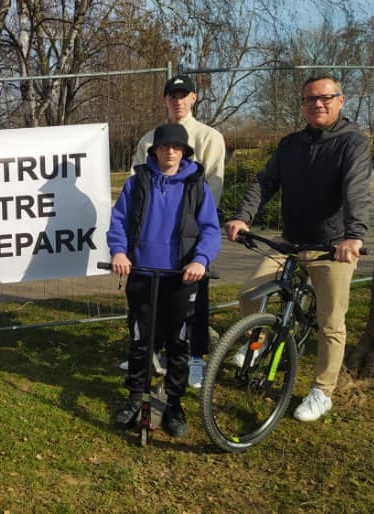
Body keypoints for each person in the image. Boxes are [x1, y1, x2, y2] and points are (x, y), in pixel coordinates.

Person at [225, 75, 371, 422]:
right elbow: (264, 181)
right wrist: (243, 216)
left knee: (330, 322)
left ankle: (322, 391)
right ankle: (257, 344)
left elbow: (356, 190)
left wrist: (354, 236)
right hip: (290, 242)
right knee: (249, 294)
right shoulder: (291, 144)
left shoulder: (352, 143)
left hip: (331, 248)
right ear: (302, 105)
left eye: (325, 98)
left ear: (340, 100)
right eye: (309, 99)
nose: (317, 104)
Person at [108, 123, 221, 437]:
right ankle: (135, 396)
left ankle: (174, 403)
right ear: (154, 150)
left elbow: (210, 230)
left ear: (184, 152)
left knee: (178, 343)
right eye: (164, 146)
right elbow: (118, 221)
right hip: (142, 273)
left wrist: (200, 260)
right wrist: (119, 252)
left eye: (176, 147)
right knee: (140, 340)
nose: (170, 152)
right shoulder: (137, 183)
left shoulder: (197, 186)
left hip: (181, 276)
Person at [123, 74, 226, 389]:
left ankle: (194, 358)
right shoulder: (148, 139)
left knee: (192, 307)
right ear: (165, 99)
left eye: (184, 95)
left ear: (193, 98)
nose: (178, 101)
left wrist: (196, 238)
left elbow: (213, 185)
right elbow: (137, 181)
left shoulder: (210, 137)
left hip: (189, 239)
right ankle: (148, 352)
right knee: (145, 300)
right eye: (172, 95)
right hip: (152, 240)